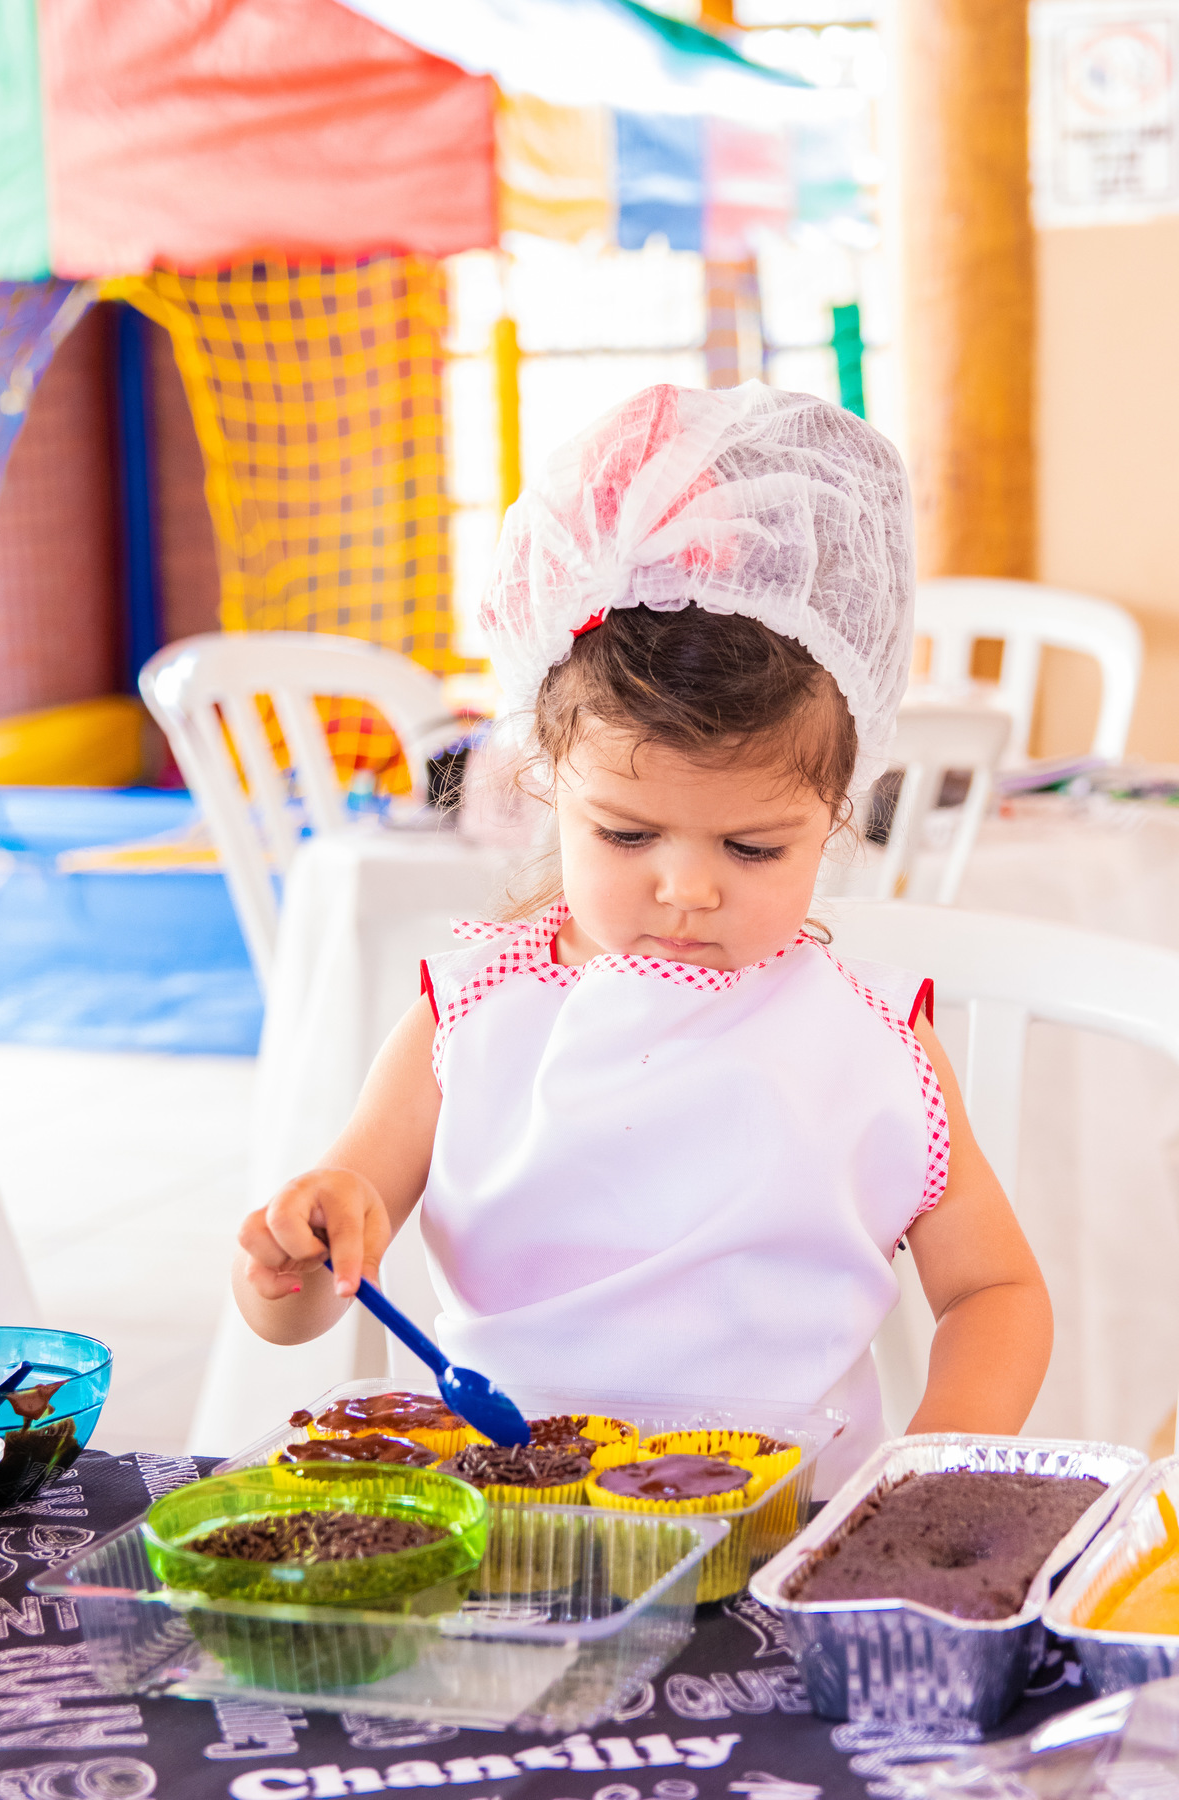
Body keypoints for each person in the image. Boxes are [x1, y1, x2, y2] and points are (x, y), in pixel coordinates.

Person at [234, 382, 1052, 1487]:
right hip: (508, 1530)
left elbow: (997, 1293)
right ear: (548, 784)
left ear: (835, 819)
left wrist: (922, 1469)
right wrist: (291, 1259)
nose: (686, 891)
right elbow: (307, 1291)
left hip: (776, 1533)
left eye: (752, 850)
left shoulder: (872, 1041)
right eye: (624, 834)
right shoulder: (468, 1016)